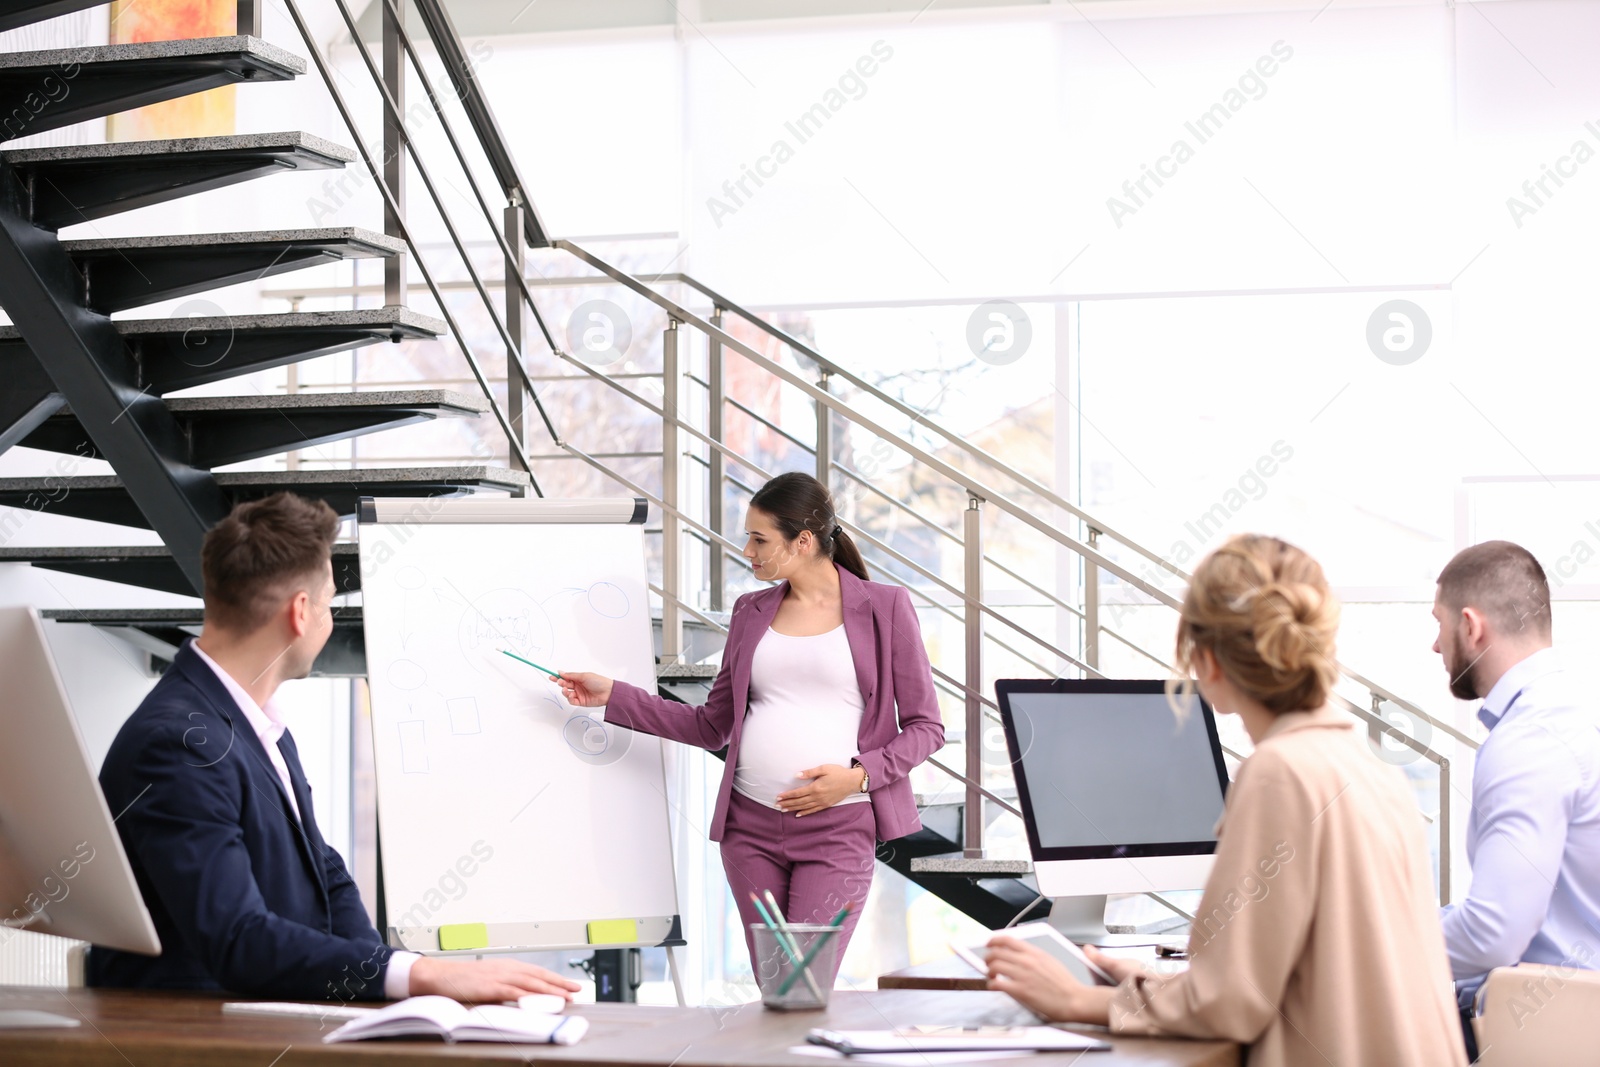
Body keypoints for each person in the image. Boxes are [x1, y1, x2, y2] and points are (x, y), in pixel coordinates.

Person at [985, 534, 1465, 1067]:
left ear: (1206, 660)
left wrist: (1079, 999)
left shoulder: (1280, 774)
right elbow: (1288, 973)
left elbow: (1234, 1005)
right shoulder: (1369, 768)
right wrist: (1159, 987)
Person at [89, 493, 580, 1004]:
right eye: (328, 602)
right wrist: (419, 975)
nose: (328, 617)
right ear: (301, 612)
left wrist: (394, 986)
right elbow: (237, 939)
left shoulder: (252, 721)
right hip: (192, 1044)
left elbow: (324, 871)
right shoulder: (179, 745)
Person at [557, 471, 944, 980]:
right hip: (749, 830)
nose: (748, 550)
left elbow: (925, 726)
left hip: (838, 829)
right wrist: (614, 695)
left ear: (803, 541)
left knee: (801, 985)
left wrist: (859, 777)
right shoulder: (750, 612)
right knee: (773, 986)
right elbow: (710, 726)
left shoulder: (885, 608)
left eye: (760, 539)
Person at [1430, 540, 1600, 1055]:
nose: (1436, 646)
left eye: (1438, 625)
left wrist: (1367, 944)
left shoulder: (1530, 740)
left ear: (1471, 624)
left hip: (1553, 1027)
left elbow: (1492, 934)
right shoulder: (1576, 709)